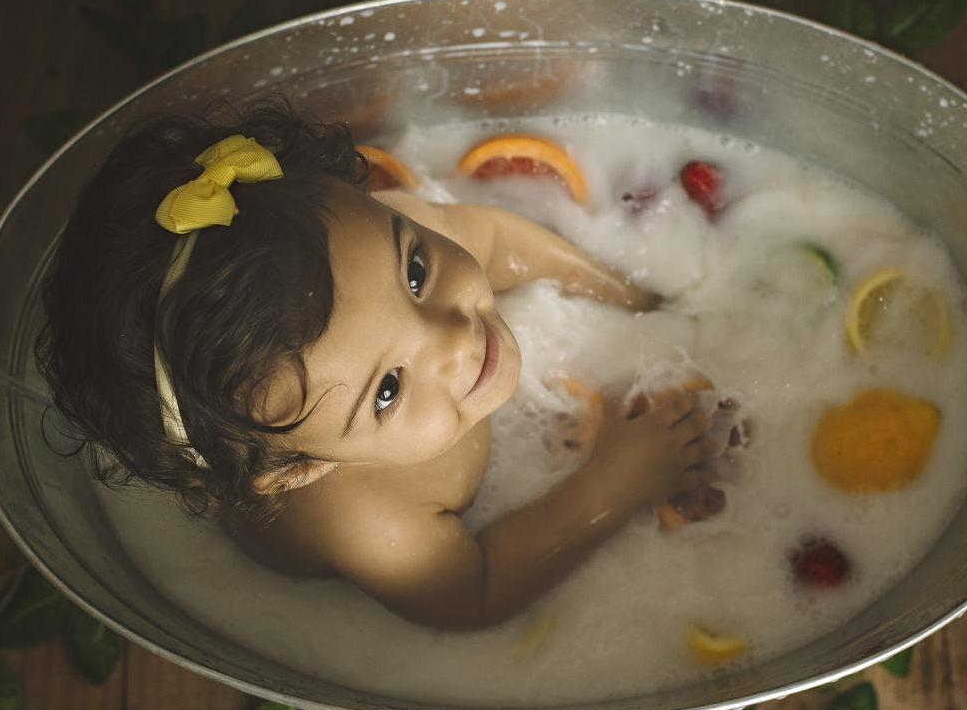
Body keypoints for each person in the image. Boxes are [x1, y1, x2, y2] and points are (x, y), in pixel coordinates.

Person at [38, 96, 716, 630]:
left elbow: (495, 239)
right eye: (387, 389)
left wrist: (633, 295)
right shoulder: (365, 519)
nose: (454, 342)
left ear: (360, 200)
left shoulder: (373, 237)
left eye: (416, 274)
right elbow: (476, 591)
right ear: (301, 467)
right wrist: (611, 487)